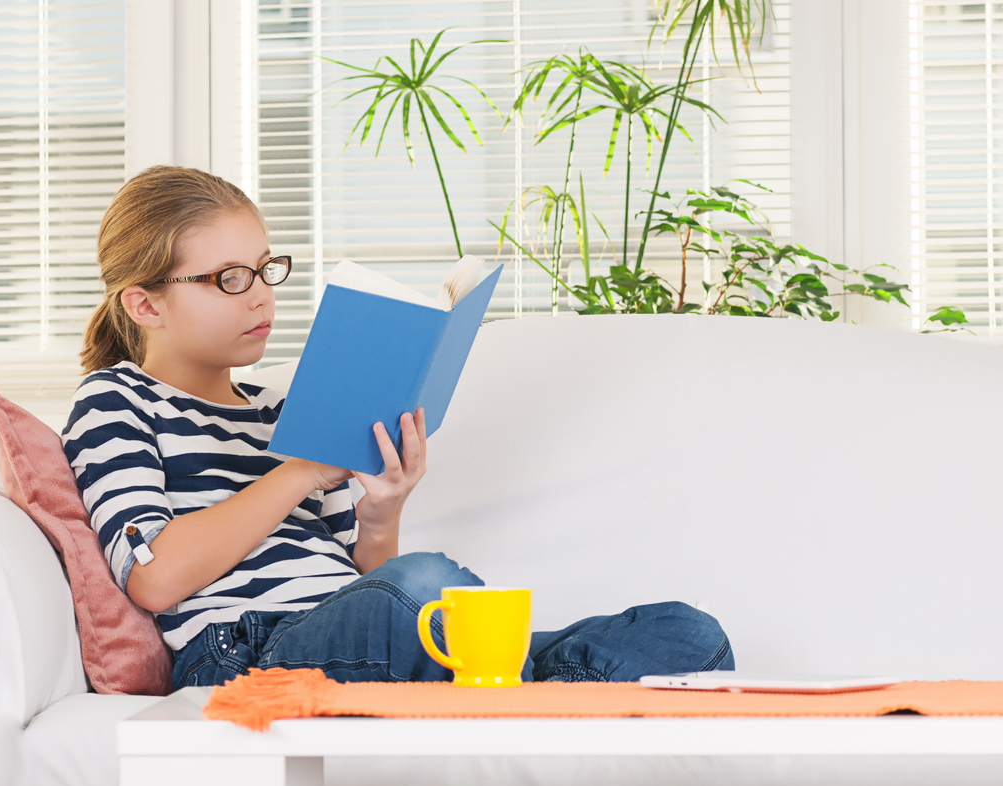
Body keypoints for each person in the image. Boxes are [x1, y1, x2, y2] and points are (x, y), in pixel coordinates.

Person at [62, 165, 735, 691]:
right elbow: (153, 578)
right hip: (247, 652)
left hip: (359, 633)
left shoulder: (283, 410)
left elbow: (363, 579)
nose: (263, 293)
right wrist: (300, 470)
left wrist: (383, 512)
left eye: (266, 268)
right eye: (229, 278)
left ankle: (510, 694)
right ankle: (526, 695)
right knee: (424, 587)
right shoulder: (116, 400)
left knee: (685, 633)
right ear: (145, 303)